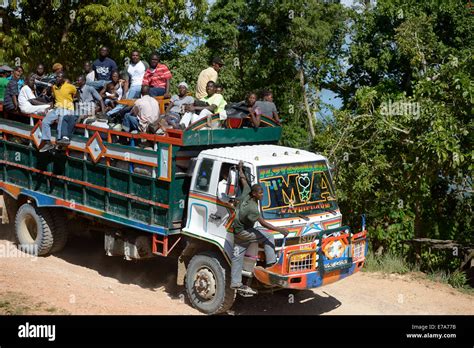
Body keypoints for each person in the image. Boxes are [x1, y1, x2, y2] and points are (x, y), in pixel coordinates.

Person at [230, 161, 289, 295]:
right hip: (245, 232)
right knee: (268, 235)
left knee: (237, 256)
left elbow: (243, 180)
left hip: (237, 230)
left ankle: (235, 283)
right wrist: (281, 230)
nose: (262, 195)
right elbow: (263, 224)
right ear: (255, 194)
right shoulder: (252, 208)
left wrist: (240, 169)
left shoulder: (246, 192)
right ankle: (271, 264)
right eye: (260, 193)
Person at [39, 72, 77, 152]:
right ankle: (47, 142)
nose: (57, 79)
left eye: (59, 77)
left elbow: (77, 95)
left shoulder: (70, 87)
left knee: (61, 119)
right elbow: (54, 98)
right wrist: (50, 107)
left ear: (63, 79)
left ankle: (60, 141)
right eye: (56, 77)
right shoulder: (54, 87)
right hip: (57, 108)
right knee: (45, 121)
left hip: (67, 109)